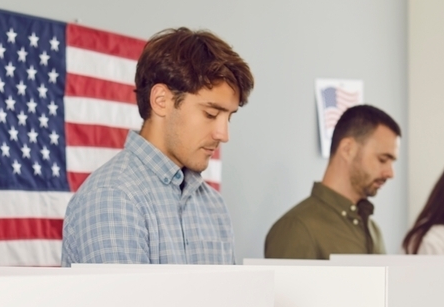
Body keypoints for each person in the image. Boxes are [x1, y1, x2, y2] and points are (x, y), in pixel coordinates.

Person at [61, 28, 254, 265]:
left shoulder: (214, 207)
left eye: (229, 117)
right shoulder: (114, 198)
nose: (223, 134)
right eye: (210, 113)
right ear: (161, 101)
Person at [264, 105, 400, 259]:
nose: (390, 173)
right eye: (382, 159)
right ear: (348, 149)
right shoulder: (297, 229)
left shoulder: (373, 230)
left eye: (392, 162)